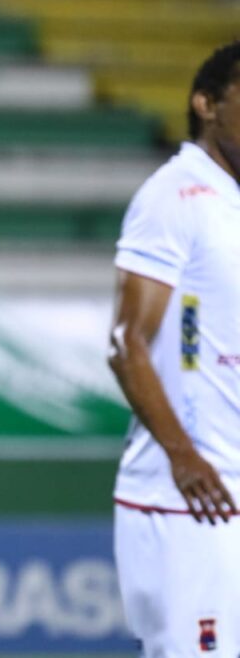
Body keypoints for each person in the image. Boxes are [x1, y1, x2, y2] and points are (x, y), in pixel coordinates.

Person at [108, 40, 240, 657]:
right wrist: (184, 455)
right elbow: (125, 341)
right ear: (206, 103)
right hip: (185, 499)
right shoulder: (175, 195)